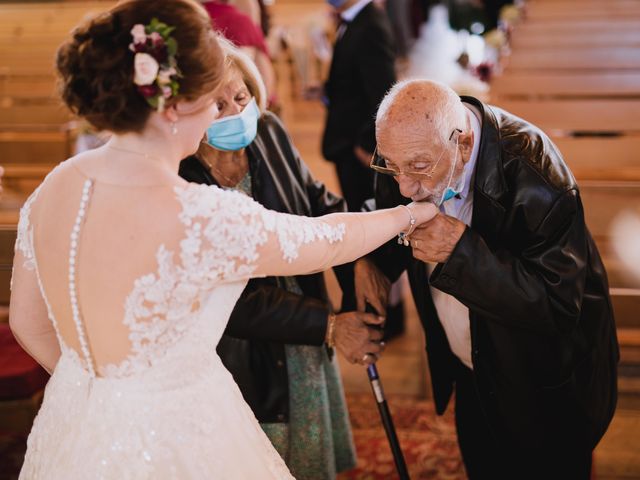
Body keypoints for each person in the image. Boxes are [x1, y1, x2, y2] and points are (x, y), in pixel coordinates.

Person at [8, 1, 437, 478]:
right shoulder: (195, 213)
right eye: (212, 102)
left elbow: (30, 324)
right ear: (175, 106)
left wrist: (105, 397)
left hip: (79, 424)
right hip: (182, 428)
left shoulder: (56, 185)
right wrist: (412, 212)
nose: (223, 112)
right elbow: (324, 239)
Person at [356, 79, 619, 479]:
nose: (406, 187)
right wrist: (369, 262)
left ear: (462, 144)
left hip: (542, 384)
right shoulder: (407, 154)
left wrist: (461, 253)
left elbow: (558, 304)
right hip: (472, 368)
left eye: (419, 168)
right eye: (393, 168)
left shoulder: (537, 172)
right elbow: (384, 210)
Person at [178, 41, 368, 478]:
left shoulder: (268, 131)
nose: (235, 112)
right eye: (218, 105)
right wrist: (333, 326)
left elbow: (318, 203)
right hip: (244, 350)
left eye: (241, 97)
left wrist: (360, 263)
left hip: (307, 321)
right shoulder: (183, 176)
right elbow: (227, 298)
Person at [321, 0, 396, 213]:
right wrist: (326, 90)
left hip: (358, 148)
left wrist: (368, 144)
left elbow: (385, 93)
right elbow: (357, 76)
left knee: (363, 211)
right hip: (347, 137)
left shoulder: (370, 26)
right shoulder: (355, 19)